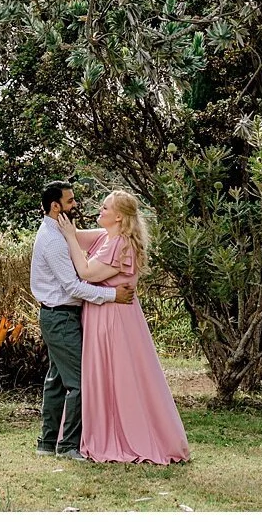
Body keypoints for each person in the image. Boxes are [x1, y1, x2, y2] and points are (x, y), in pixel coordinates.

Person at [54, 189, 190, 465]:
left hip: (113, 319)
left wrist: (69, 236)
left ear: (118, 216)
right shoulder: (108, 237)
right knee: (108, 375)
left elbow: (87, 272)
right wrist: (62, 221)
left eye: (104, 209)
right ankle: (102, 430)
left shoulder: (121, 244)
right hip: (105, 314)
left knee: (119, 376)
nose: (99, 212)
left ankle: (124, 434)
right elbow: (79, 238)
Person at [30, 181, 135, 460]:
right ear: (56, 206)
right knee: (79, 381)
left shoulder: (59, 233)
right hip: (61, 316)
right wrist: (113, 294)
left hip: (59, 315)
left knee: (56, 380)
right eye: (70, 201)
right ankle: (67, 446)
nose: (75, 205)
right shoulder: (53, 241)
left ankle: (47, 442)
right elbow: (74, 286)